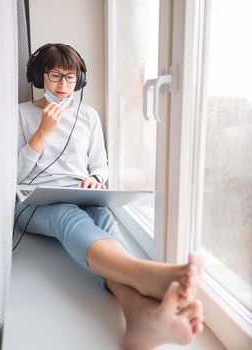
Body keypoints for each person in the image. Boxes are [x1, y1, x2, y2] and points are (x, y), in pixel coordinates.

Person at [15, 43, 204, 349]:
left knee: (104, 218)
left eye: (71, 77)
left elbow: (99, 163)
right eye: (55, 76)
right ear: (39, 76)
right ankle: (144, 275)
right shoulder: (20, 114)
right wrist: (42, 133)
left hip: (81, 193)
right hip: (33, 201)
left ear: (80, 80)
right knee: (69, 217)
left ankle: (140, 316)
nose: (64, 85)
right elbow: (13, 175)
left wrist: (95, 178)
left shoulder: (88, 115)